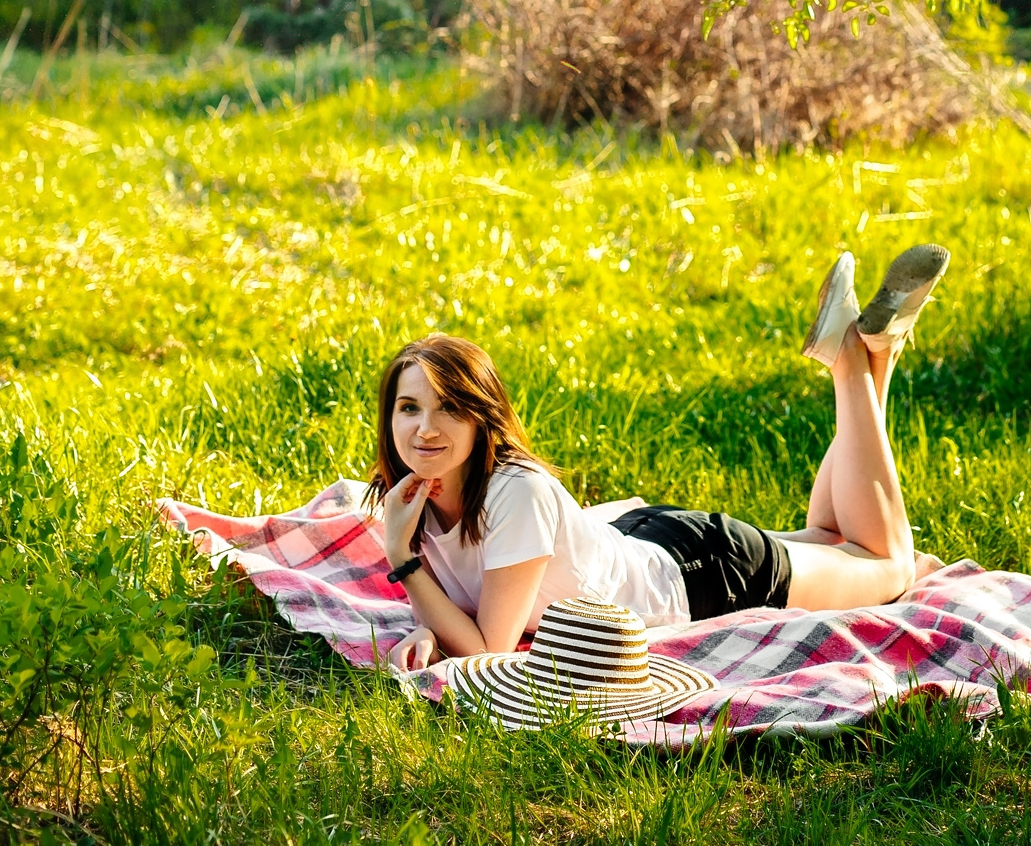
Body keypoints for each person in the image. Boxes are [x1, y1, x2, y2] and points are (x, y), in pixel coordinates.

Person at [366, 244, 952, 658]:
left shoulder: (515, 492)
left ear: (482, 418)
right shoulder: (414, 495)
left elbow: (489, 648)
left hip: (705, 577)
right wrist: (429, 630)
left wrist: (402, 561)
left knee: (885, 561)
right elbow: (462, 608)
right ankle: (883, 351)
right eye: (410, 408)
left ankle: (850, 361)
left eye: (449, 407)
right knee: (830, 536)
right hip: (651, 542)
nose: (425, 428)